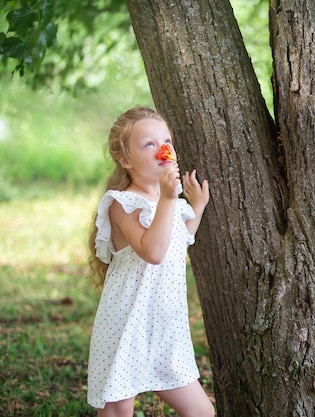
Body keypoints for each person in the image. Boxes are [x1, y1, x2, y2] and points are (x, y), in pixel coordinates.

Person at [86, 107, 215, 417]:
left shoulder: (167, 202)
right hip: (127, 321)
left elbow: (176, 241)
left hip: (165, 326)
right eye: (149, 144)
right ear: (125, 159)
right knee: (119, 410)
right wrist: (171, 199)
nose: (163, 149)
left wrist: (195, 207)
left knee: (202, 413)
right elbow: (153, 251)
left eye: (166, 140)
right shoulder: (123, 204)